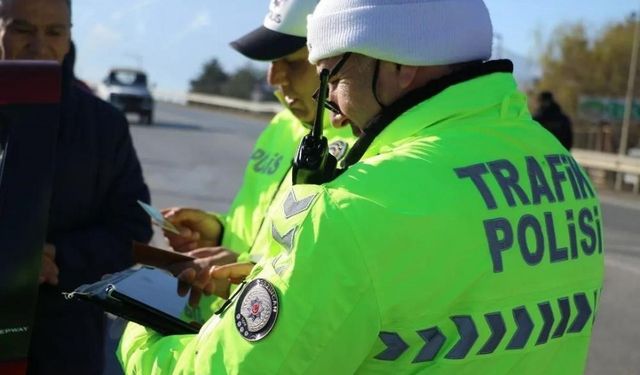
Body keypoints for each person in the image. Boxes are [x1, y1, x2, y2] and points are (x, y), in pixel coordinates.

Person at [119, 0, 604, 374]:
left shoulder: (354, 207)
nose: (328, 97)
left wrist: (143, 331)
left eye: (333, 71)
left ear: (398, 63)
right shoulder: (560, 167)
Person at [160, 0, 353, 308]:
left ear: (340, 59)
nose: (273, 78)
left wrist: (251, 271)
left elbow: (341, 281)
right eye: (271, 62)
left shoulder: (370, 144)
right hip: (229, 320)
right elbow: (261, 229)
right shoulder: (281, 125)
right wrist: (220, 233)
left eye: (291, 62)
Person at [0, 0, 153, 374]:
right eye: (22, 30)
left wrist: (57, 255)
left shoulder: (104, 127)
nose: (39, 46)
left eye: (54, 32)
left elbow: (132, 230)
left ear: (69, 38)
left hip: (66, 346)